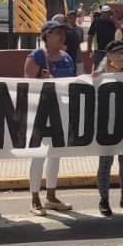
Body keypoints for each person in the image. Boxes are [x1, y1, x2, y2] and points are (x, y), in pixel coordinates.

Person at [24, 20, 76, 215]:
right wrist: (41, 82)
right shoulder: (36, 56)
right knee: (38, 155)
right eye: (56, 32)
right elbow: (26, 85)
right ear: (45, 35)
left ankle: (51, 196)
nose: (61, 35)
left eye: (63, 32)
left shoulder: (67, 57)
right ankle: (35, 198)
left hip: (62, 110)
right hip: (40, 111)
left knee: (55, 154)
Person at [94, 41, 123, 216]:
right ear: (109, 55)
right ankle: (104, 199)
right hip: (106, 123)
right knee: (106, 162)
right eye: (117, 53)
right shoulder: (100, 73)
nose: (122, 57)